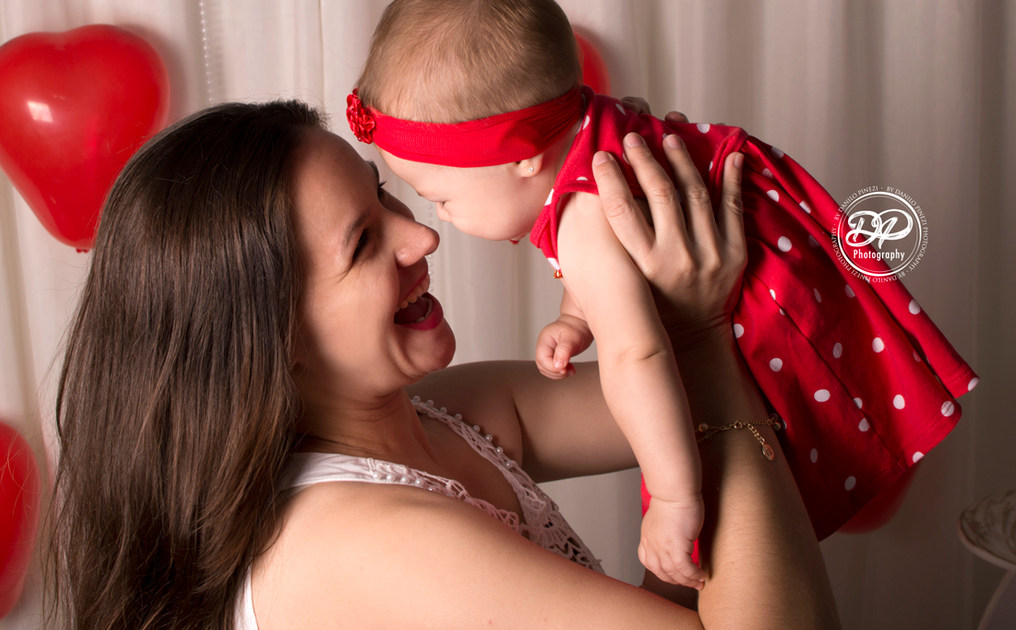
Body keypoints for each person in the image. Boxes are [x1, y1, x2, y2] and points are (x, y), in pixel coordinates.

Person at [47, 98, 839, 629]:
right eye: (363, 244)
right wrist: (693, 336)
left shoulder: (444, 418)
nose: (420, 237)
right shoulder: (359, 540)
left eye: (384, 195)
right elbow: (720, 413)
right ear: (268, 338)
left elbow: (740, 412)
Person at [346, 0, 978, 577]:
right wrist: (576, 315)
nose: (438, 220)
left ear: (522, 158)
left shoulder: (584, 217)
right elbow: (620, 260)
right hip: (795, 284)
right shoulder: (596, 132)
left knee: (714, 531)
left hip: (757, 336)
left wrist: (676, 500)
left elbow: (639, 357)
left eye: (444, 198)